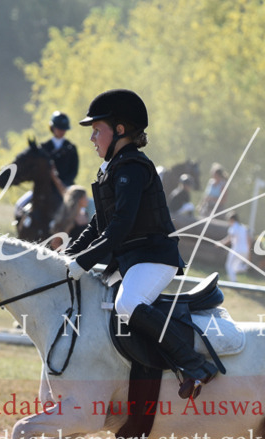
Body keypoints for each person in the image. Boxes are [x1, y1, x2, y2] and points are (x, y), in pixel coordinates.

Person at [65, 88, 218, 400]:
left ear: (120, 130)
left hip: (153, 257)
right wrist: (67, 254)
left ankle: (195, 366)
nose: (92, 138)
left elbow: (120, 227)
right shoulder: (111, 169)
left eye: (97, 131)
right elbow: (99, 225)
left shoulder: (133, 167)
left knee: (128, 304)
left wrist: (82, 263)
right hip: (130, 259)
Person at [48, 185, 90, 250]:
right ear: (79, 199)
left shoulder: (85, 214)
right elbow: (55, 243)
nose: (87, 200)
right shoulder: (67, 218)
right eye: (85, 197)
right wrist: (69, 254)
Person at [220, 212, 251, 282]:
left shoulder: (233, 227)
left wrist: (221, 243)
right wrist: (248, 251)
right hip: (245, 250)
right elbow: (249, 239)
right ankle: (244, 268)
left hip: (236, 250)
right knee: (235, 267)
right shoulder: (243, 227)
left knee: (228, 266)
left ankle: (233, 282)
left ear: (232, 220)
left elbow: (229, 238)